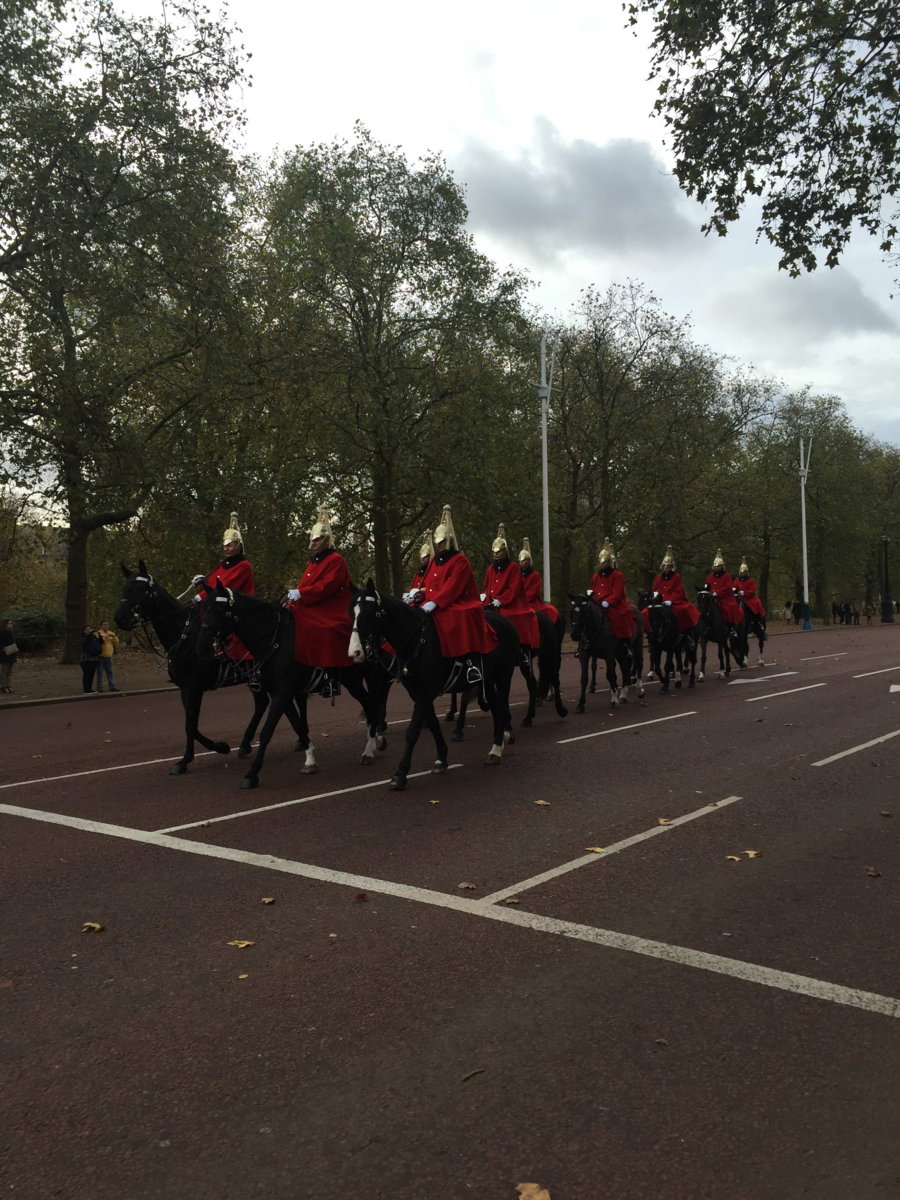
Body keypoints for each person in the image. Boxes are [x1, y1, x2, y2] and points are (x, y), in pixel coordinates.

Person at [418, 505, 497, 683]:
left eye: (442, 541)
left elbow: (453, 586)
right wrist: (420, 595)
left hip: (459, 602)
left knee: (456, 617)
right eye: (437, 542)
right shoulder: (434, 562)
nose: (439, 545)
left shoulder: (460, 560)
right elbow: (429, 584)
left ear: (449, 540)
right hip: (436, 602)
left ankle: (470, 663)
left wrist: (436, 602)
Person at [287, 506, 354, 698]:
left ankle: (330, 676)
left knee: (326, 629)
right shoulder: (314, 560)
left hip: (331, 607)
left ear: (326, 540)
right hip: (313, 603)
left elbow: (328, 586)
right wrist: (296, 596)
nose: (314, 542)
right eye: (313, 539)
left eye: (318, 539)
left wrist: (302, 593)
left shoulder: (337, 560)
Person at [193, 513, 255, 663]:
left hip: (236, 605)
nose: (226, 548)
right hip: (220, 602)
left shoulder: (244, 566)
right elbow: (214, 582)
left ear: (238, 545)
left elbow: (226, 585)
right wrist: (203, 581)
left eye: (230, 545)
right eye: (225, 545)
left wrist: (201, 596)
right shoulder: (225, 563)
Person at [482, 524, 539, 653]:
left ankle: (521, 649)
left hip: (510, 604)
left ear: (505, 551)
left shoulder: (513, 568)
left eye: (499, 552)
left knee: (512, 617)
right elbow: (486, 586)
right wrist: (483, 595)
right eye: (494, 552)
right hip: (491, 603)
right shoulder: (490, 569)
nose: (496, 555)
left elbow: (513, 589)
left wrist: (501, 600)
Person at [587, 538, 635, 639]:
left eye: (604, 562)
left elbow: (617, 593)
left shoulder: (618, 575)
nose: (602, 564)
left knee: (618, 617)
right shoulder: (596, 575)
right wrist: (591, 596)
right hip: (597, 603)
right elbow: (592, 589)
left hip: (613, 604)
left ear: (609, 562)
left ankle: (623, 641)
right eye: (601, 562)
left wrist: (608, 601)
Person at [645, 545, 700, 632]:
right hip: (659, 602)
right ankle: (650, 632)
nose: (666, 568)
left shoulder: (676, 577)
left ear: (671, 567)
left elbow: (678, 590)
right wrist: (655, 597)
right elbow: (655, 590)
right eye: (665, 566)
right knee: (645, 613)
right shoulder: (659, 578)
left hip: (672, 602)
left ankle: (685, 632)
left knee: (683, 610)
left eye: (668, 567)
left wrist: (671, 600)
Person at [518, 537, 559, 623]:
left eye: (523, 561)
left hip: (532, 603)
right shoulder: (516, 574)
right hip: (518, 602)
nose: (521, 563)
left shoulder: (535, 575)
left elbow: (533, 592)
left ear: (528, 561)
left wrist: (522, 600)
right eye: (520, 561)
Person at [703, 549, 744, 625]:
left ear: (721, 566)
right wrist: (706, 591)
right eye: (714, 566)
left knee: (729, 608)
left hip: (725, 598)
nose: (715, 568)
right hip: (711, 598)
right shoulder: (710, 576)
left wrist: (717, 593)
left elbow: (727, 587)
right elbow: (707, 585)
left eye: (717, 566)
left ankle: (731, 626)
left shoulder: (727, 576)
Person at [404, 532, 433, 604]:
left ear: (430, 557)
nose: (422, 559)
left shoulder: (433, 571)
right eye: (421, 556)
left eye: (425, 557)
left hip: (427, 601)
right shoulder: (418, 574)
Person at [95, 619, 120, 691]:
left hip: (109, 656)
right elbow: (99, 639)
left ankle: (112, 686)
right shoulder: (98, 633)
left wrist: (114, 636)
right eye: (104, 625)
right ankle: (99, 687)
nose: (106, 626)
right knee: (100, 673)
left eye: (107, 624)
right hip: (101, 656)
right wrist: (106, 636)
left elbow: (116, 641)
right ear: (101, 626)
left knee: (110, 672)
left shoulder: (111, 633)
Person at [80, 625, 103, 693]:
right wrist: (91, 635)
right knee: (87, 674)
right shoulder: (83, 638)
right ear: (84, 631)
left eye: (90, 629)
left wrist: (99, 635)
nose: (89, 630)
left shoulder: (94, 637)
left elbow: (100, 643)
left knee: (91, 674)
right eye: (87, 629)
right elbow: (86, 644)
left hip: (94, 659)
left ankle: (89, 689)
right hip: (86, 659)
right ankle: (86, 690)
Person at [0, 618, 18, 693]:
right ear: (6, 624)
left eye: (11, 623)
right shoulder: (2, 632)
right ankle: (3, 686)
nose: (11, 624)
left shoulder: (11, 632)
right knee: (4, 671)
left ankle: (8, 685)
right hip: (5, 654)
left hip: (12, 653)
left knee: (9, 671)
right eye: (10, 623)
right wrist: (3, 648)